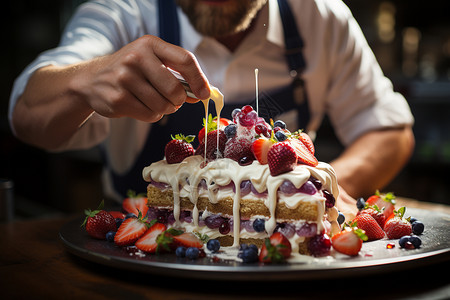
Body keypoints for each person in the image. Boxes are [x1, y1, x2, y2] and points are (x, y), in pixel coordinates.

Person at [8, 0, 414, 217]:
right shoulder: (123, 12)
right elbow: (27, 117)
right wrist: (86, 79)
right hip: (149, 259)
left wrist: (317, 191)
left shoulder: (321, 16)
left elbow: (389, 129)